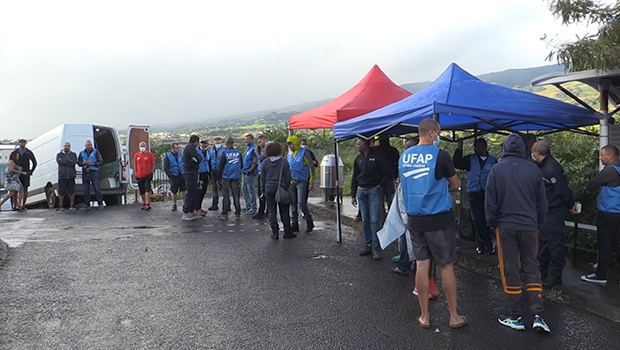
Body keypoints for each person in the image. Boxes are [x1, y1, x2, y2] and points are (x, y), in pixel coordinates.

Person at [399, 119, 465, 329]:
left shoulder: (404, 157)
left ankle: (424, 316)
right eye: (438, 133)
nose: (439, 136)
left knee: (421, 264)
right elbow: (455, 184)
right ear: (430, 132)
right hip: (438, 218)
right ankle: (454, 317)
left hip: (415, 219)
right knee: (446, 265)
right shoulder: (441, 155)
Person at [485, 133, 550, 333]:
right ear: (523, 149)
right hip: (530, 227)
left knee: (510, 269)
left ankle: (517, 316)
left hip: (505, 227)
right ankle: (538, 314)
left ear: (504, 149)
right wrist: (539, 223)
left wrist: (491, 222)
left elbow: (490, 201)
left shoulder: (496, 170)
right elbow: (542, 202)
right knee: (532, 267)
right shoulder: (533, 170)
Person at [531, 141, 579, 288]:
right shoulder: (543, 166)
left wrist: (571, 205)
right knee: (545, 241)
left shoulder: (551, 167)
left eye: (533, 151)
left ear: (537, 153)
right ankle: (542, 270)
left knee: (555, 243)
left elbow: (562, 190)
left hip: (554, 210)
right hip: (545, 211)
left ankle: (556, 275)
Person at [581, 144, 620, 284]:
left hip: (608, 212)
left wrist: (600, 188)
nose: (601, 158)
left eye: (602, 155)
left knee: (605, 243)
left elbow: (591, 185)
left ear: (610, 156)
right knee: (618, 243)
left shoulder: (610, 170)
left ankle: (601, 274)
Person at [453, 138, 497, 254]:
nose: (477, 150)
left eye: (480, 147)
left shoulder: (493, 161)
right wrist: (459, 149)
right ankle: (485, 243)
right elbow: (457, 163)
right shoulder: (469, 159)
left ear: (485, 147)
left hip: (488, 194)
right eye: (476, 148)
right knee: (477, 218)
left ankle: (483, 244)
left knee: (488, 219)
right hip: (474, 193)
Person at [352, 137, 392, 260]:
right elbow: (355, 176)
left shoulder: (378, 156)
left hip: (374, 190)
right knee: (365, 219)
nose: (357, 146)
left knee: (375, 219)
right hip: (362, 190)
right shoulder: (358, 158)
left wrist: (379, 186)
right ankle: (368, 245)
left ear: (364, 145)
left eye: (358, 144)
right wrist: (353, 194)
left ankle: (376, 247)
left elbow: (388, 173)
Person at [261, 141, 296, 239]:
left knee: (271, 210)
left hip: (269, 188)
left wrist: (263, 190)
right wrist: (286, 187)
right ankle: (287, 232)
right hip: (281, 187)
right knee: (284, 211)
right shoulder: (284, 162)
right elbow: (288, 176)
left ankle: (275, 232)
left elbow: (262, 179)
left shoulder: (265, 162)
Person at [286, 135, 316, 233]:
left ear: (294, 143)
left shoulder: (304, 153)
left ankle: (309, 220)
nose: (290, 146)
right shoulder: (289, 155)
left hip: (302, 181)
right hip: (292, 181)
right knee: (293, 203)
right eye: (288, 145)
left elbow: (311, 168)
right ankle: (294, 223)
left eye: (290, 144)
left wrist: (311, 182)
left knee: (302, 202)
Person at [218, 137, 242, 220]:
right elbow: (241, 164)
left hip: (226, 176)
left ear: (226, 144)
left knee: (226, 195)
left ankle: (224, 214)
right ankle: (238, 213)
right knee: (236, 195)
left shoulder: (224, 153)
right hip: (235, 176)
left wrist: (219, 179)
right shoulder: (238, 153)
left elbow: (221, 166)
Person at [373, 135, 399, 208]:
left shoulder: (376, 150)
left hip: (379, 177)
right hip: (389, 176)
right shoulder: (393, 150)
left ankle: (382, 216)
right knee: (390, 197)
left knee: (380, 199)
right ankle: (391, 213)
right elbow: (397, 163)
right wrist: (395, 175)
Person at [182, 135, 204, 221]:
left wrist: (195, 159)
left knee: (194, 191)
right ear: (196, 141)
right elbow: (199, 158)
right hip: (189, 172)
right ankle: (186, 211)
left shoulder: (190, 147)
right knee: (191, 192)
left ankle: (191, 211)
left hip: (192, 172)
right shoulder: (190, 147)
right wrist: (196, 160)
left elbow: (198, 158)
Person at [77, 140, 104, 210]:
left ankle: (100, 203)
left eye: (90, 145)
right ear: (85, 146)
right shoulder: (82, 153)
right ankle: (86, 203)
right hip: (85, 172)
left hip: (94, 171)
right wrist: (83, 163)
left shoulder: (96, 152)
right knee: (86, 189)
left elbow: (101, 161)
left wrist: (93, 164)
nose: (89, 146)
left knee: (96, 187)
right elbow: (78, 162)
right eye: (88, 145)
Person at [253, 135, 271, 220]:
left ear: (264, 140)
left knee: (262, 192)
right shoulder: (268, 146)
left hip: (264, 172)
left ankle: (262, 211)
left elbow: (261, 157)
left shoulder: (267, 147)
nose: (259, 144)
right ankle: (267, 211)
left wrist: (257, 152)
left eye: (260, 142)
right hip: (264, 171)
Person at [163, 143, 186, 212]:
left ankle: (185, 204)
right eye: (176, 148)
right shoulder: (168, 156)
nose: (178, 149)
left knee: (183, 190)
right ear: (172, 149)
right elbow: (166, 167)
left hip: (181, 174)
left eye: (178, 148)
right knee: (174, 191)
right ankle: (174, 204)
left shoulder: (180, 155)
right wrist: (170, 176)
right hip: (174, 176)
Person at [134, 141, 156, 211]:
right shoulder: (137, 155)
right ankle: (144, 203)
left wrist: (152, 172)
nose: (142, 148)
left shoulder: (150, 155)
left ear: (146, 147)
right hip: (139, 175)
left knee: (147, 189)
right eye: (141, 146)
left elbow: (153, 163)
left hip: (147, 174)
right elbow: (135, 164)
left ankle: (147, 203)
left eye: (143, 146)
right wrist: (135, 173)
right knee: (142, 190)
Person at [56, 142, 78, 210]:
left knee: (71, 191)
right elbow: (60, 162)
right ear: (63, 146)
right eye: (65, 146)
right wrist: (68, 161)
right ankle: (60, 205)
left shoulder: (73, 154)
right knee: (61, 192)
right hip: (62, 176)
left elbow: (73, 162)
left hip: (71, 176)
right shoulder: (59, 155)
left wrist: (65, 162)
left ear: (70, 147)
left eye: (68, 146)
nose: (66, 147)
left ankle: (72, 205)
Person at [16, 138, 37, 209]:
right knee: (16, 189)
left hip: (26, 172)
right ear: (19, 143)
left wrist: (31, 171)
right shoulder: (16, 152)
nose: (22, 144)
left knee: (25, 188)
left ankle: (23, 204)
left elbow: (34, 162)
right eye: (21, 143)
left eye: (24, 143)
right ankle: (16, 204)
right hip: (17, 172)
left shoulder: (28, 152)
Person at [242, 134, 259, 215]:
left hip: (250, 172)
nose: (246, 141)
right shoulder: (248, 148)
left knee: (251, 190)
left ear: (252, 140)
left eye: (248, 139)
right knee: (244, 189)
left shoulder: (254, 149)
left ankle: (253, 207)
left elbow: (256, 162)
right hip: (244, 171)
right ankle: (248, 205)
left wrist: (250, 170)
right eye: (246, 139)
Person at [207, 137, 224, 211]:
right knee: (214, 189)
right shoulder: (210, 150)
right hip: (213, 171)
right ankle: (214, 204)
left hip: (222, 171)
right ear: (214, 143)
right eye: (216, 143)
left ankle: (227, 205)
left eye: (219, 143)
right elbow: (208, 160)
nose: (218, 144)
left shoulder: (224, 150)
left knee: (224, 189)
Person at [196, 139, 211, 213]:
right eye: (202, 143)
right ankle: (197, 208)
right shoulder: (196, 151)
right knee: (199, 191)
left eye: (205, 143)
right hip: (199, 173)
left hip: (206, 172)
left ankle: (199, 207)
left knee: (203, 191)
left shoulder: (208, 152)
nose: (203, 145)